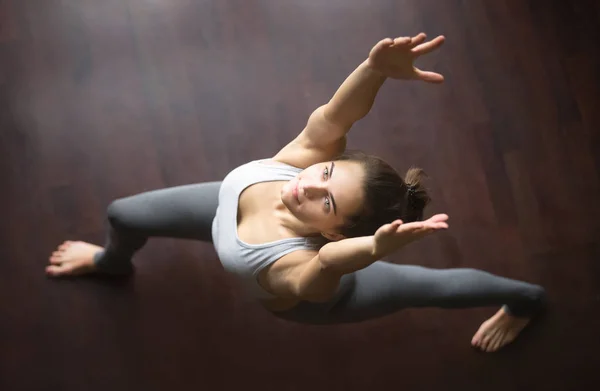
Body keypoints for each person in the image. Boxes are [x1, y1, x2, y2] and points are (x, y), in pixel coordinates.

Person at [46, 33, 546, 352]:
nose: (305, 183)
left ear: (331, 230)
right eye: (326, 171)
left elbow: (327, 267)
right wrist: (373, 70)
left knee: (431, 288)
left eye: (325, 201)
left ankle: (527, 301)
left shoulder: (301, 266)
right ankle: (112, 263)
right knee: (124, 214)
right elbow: (334, 116)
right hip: (225, 210)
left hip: (323, 291)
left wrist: (372, 251)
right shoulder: (295, 169)